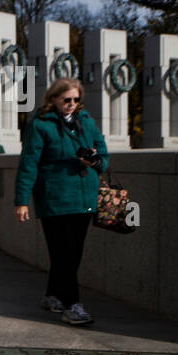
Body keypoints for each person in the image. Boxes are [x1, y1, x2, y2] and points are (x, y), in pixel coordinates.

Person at [14, 77, 109, 327]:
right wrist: (22, 200)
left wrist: (95, 162)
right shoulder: (40, 125)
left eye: (76, 100)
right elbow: (28, 163)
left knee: (72, 252)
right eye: (67, 99)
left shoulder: (86, 122)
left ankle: (53, 294)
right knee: (63, 252)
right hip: (54, 198)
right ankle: (72, 305)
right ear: (54, 99)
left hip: (84, 196)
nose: (71, 104)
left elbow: (104, 155)